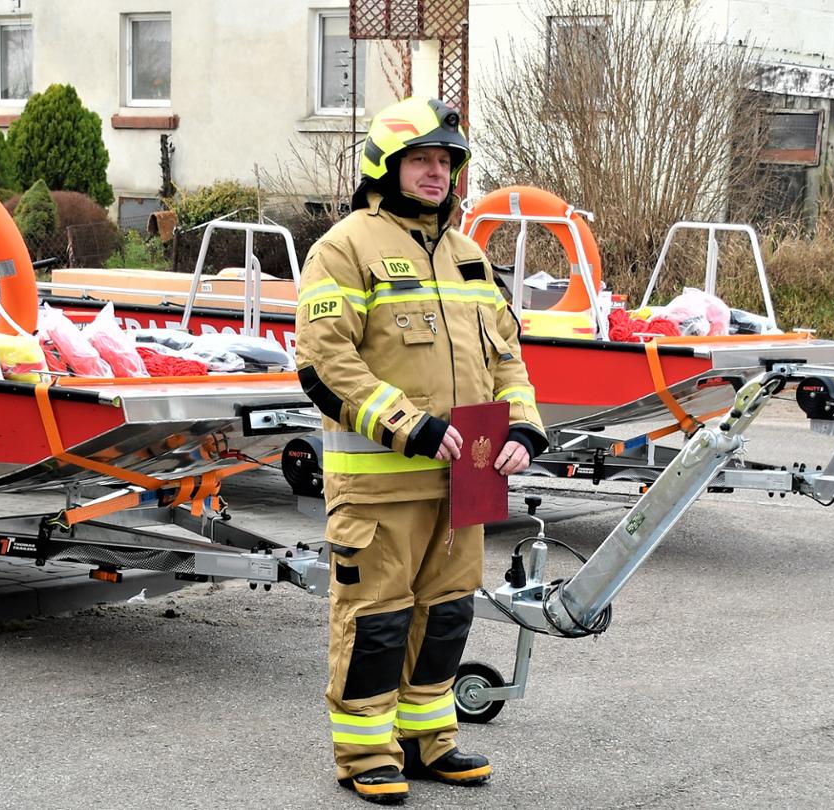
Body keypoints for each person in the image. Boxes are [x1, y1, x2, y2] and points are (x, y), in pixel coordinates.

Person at [294, 96, 548, 804]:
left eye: (446, 162)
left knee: (446, 615)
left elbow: (507, 359)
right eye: (422, 160)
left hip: (467, 481)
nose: (437, 173)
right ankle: (366, 754)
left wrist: (523, 427)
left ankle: (427, 739)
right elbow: (325, 363)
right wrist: (413, 426)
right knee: (376, 620)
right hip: (381, 486)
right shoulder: (344, 248)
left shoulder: (470, 256)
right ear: (385, 166)